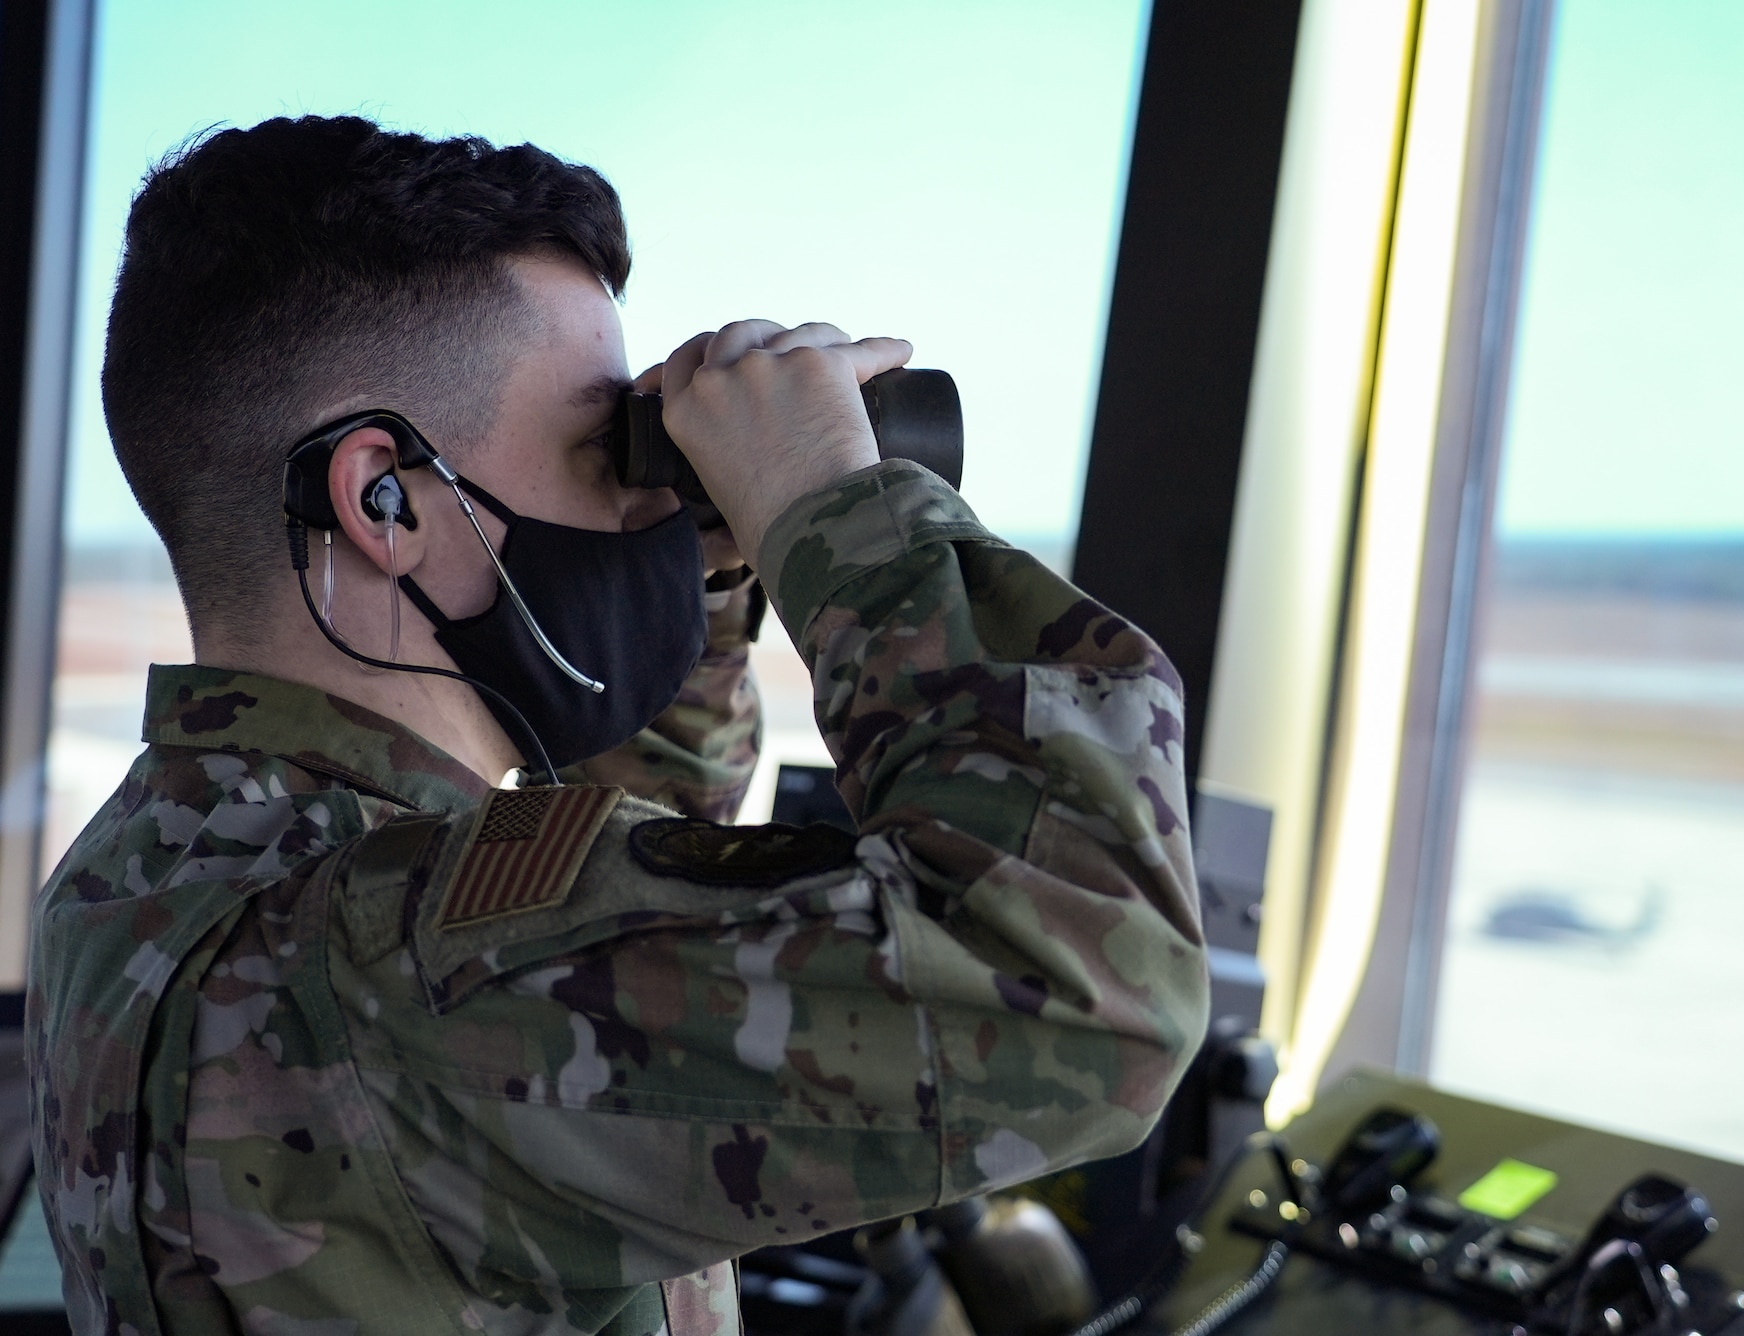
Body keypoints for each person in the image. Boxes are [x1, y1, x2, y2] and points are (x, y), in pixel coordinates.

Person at [26, 114, 1205, 1336]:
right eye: (602, 443)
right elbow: (1082, 984)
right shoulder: (404, 961)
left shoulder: (147, 864)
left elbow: (616, 889)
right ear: (383, 498)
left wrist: (698, 567)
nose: (641, 491)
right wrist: (831, 507)